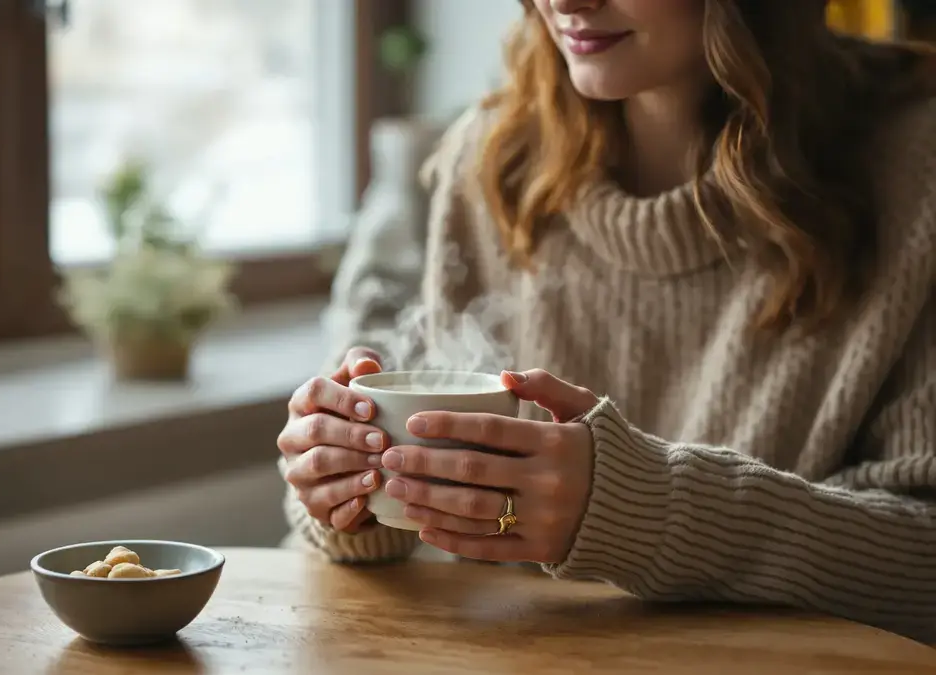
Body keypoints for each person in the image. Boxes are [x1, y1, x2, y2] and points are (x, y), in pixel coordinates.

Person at [276, 0, 936, 641]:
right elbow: (443, 533)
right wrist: (354, 495)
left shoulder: (915, 171)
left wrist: (645, 510)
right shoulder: (490, 159)